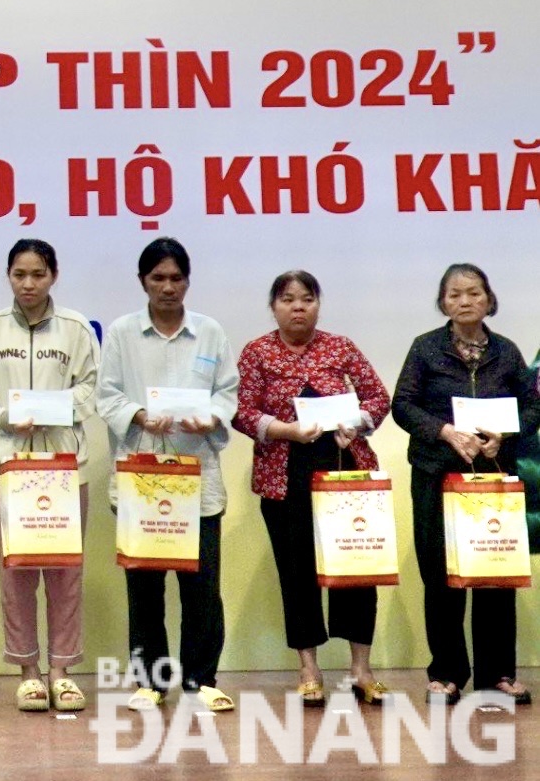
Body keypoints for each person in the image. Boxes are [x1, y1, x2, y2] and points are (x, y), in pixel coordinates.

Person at [231, 271, 391, 707]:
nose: (298, 307)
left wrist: (354, 424)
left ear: (318, 304)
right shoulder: (257, 352)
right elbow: (242, 412)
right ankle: (309, 668)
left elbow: (379, 397)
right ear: (274, 306)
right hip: (285, 478)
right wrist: (284, 429)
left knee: (357, 571)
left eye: (307, 299)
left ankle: (361, 668)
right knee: (297, 574)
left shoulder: (340, 347)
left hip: (345, 473)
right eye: (287, 299)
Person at [97, 237, 237, 712]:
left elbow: (228, 393)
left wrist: (212, 417)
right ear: (143, 282)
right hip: (143, 476)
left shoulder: (210, 332)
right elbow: (107, 395)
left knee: (202, 588)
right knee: (145, 587)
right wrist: (138, 415)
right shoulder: (121, 332)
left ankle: (202, 680)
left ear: (188, 282)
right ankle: (150, 681)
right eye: (158, 278)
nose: (168, 287)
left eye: (176, 278)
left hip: (198, 477)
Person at [392, 262, 540, 705]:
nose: (465, 301)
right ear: (443, 303)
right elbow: (403, 405)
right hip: (439, 474)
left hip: (493, 478)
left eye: (474, 293)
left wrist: (505, 434)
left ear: (489, 299)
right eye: (455, 295)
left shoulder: (507, 352)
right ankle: (447, 674)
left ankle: (498, 675)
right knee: (442, 576)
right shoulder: (425, 349)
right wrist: (444, 431)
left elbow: (534, 408)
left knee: (495, 575)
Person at [0, 239, 97, 713]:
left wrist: (57, 411)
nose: (28, 284)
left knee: (65, 574)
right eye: (19, 274)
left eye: (38, 274)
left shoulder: (76, 329)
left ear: (53, 276)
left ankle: (62, 671)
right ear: (8, 276)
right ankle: (27, 672)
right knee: (15, 574)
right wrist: (5, 417)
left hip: (65, 466)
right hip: (11, 468)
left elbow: (91, 388)